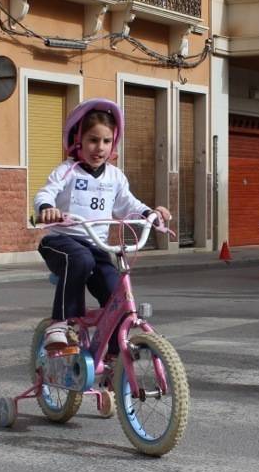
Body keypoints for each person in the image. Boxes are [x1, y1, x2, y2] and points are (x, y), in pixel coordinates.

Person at [34, 98, 172, 354]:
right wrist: (47, 209)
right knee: (81, 260)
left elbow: (127, 203)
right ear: (79, 141)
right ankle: (60, 323)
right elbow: (45, 193)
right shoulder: (67, 171)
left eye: (106, 141)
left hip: (96, 246)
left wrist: (149, 212)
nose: (99, 148)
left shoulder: (115, 176)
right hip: (61, 242)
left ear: (113, 143)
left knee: (116, 294)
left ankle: (112, 356)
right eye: (93, 140)